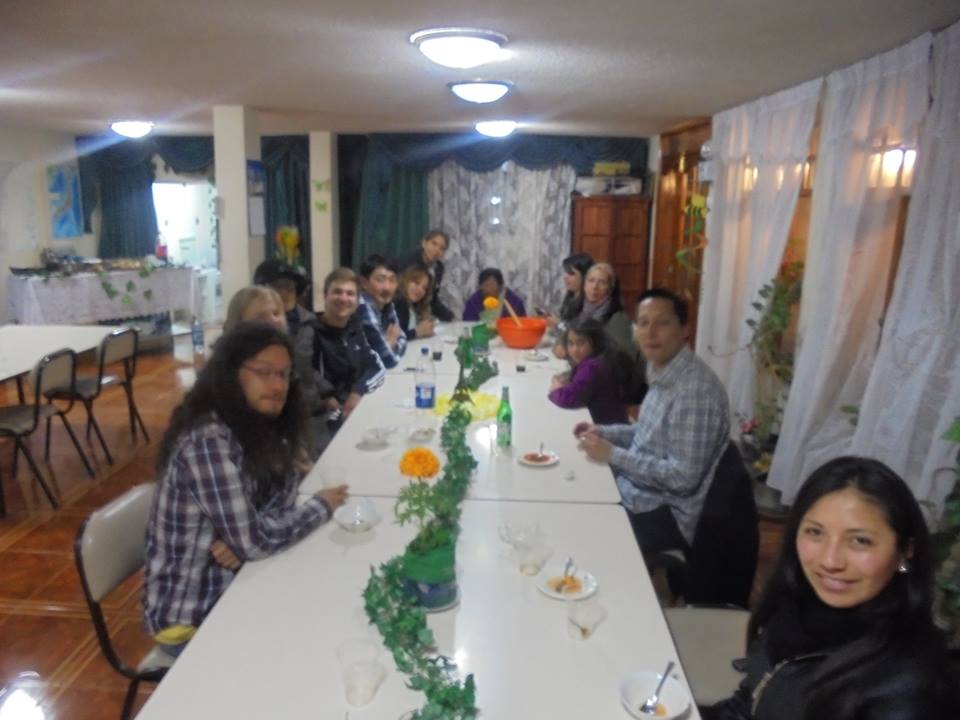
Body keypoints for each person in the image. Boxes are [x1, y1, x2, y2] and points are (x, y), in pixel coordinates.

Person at [144, 323, 348, 656]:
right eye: (264, 372)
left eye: (284, 375)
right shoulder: (208, 442)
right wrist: (321, 506)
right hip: (192, 620)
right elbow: (256, 540)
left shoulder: (255, 424)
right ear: (231, 374)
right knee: (314, 641)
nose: (277, 385)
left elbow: (278, 501)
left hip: (240, 580)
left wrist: (243, 539)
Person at [703, 457, 960, 720]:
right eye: (815, 532)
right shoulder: (796, 604)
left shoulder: (913, 689)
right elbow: (748, 704)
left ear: (905, 551)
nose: (830, 561)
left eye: (860, 541)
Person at [575, 288, 729, 556]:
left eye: (663, 323)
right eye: (643, 323)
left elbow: (683, 478)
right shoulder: (662, 369)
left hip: (664, 513)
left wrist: (613, 455)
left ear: (685, 330)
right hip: (638, 491)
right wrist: (605, 432)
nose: (651, 332)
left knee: (581, 530)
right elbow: (649, 432)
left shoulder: (695, 391)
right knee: (572, 488)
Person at [252, 259, 331, 457]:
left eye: (290, 287)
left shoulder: (310, 322)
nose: (285, 293)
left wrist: (327, 393)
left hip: (309, 410)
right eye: (279, 287)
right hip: (270, 416)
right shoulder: (252, 328)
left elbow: (311, 366)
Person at [312, 267, 385, 430]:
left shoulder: (354, 327)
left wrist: (357, 391)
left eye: (350, 294)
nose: (344, 298)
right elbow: (304, 377)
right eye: (337, 292)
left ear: (357, 301)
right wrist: (327, 399)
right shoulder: (310, 332)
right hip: (324, 419)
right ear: (325, 295)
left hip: (355, 408)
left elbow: (376, 366)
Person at [548, 317, 630, 424]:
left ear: (595, 342)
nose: (575, 350)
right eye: (571, 343)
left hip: (607, 428)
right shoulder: (601, 358)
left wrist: (556, 390)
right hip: (614, 422)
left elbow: (571, 399)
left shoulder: (592, 366)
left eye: (581, 343)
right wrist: (567, 380)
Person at [553, 262, 632, 358]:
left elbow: (622, 357)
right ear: (584, 284)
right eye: (591, 280)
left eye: (602, 282)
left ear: (610, 289)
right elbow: (565, 336)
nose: (594, 287)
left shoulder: (618, 318)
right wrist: (560, 346)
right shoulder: (578, 309)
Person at [357, 254, 406, 368]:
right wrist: (390, 343)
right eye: (380, 280)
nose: (387, 288)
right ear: (364, 282)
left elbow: (403, 339)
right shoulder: (362, 306)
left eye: (392, 280)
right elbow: (388, 360)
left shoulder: (387, 305)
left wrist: (389, 345)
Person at [395, 229, 454, 322]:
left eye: (442, 248)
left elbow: (432, 298)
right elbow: (399, 292)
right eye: (434, 244)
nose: (437, 250)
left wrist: (450, 317)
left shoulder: (439, 268)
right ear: (424, 243)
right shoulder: (409, 262)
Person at [542, 252, 594, 330]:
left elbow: (577, 333)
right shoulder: (571, 295)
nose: (565, 277)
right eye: (566, 272)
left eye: (571, 274)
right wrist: (554, 319)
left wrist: (559, 324)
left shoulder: (589, 303)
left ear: (585, 276)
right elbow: (566, 322)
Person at [462, 267, 528, 321]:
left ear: (500, 286)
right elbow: (468, 322)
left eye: (491, 285)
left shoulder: (514, 302)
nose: (487, 289)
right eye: (484, 285)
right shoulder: (473, 301)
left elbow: (522, 322)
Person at [394, 265, 435, 340]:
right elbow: (394, 338)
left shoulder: (412, 304)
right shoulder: (399, 301)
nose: (420, 290)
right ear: (406, 280)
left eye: (424, 288)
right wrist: (417, 331)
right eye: (416, 283)